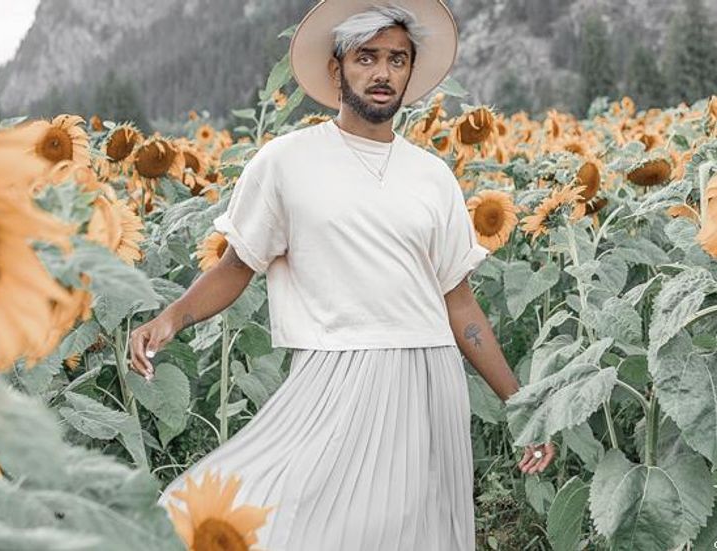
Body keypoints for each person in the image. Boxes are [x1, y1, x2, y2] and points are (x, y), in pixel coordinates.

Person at [130, 1, 555, 548]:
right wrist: (171, 319)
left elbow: (460, 303)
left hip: (430, 382)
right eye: (366, 57)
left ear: (409, 72)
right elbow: (237, 264)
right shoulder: (286, 161)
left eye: (397, 60)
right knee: (259, 514)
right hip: (333, 374)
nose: (383, 73)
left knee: (410, 535)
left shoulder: (433, 177)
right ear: (337, 70)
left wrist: (519, 404)